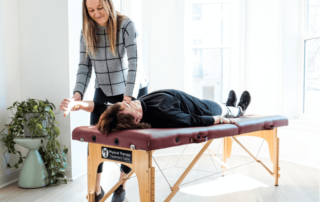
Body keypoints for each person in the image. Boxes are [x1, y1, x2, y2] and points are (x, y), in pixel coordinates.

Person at [60, 89, 250, 200]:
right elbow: (194, 120)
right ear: (135, 120)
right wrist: (219, 119)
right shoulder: (163, 115)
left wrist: (76, 104)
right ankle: (239, 107)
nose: (128, 102)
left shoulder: (128, 110)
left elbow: (99, 106)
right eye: (127, 106)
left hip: (193, 99)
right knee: (228, 111)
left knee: (224, 105)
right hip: (204, 108)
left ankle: (229, 104)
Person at [69, 0, 148, 201]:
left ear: (108, 4)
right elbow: (84, 67)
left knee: (129, 141)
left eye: (99, 8)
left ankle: (121, 187)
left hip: (131, 87)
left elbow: (134, 63)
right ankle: (95, 191)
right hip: (103, 88)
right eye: (91, 10)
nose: (96, 13)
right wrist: (77, 94)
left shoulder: (126, 25)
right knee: (95, 139)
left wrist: (128, 97)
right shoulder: (87, 31)